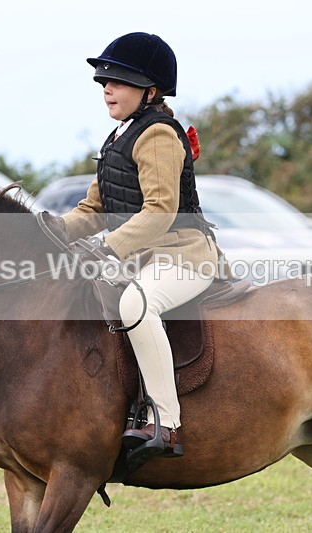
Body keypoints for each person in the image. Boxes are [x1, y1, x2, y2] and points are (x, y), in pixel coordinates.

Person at [59, 32, 228, 462]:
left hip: (184, 254)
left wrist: (106, 250)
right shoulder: (119, 136)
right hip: (142, 257)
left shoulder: (157, 135)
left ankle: (165, 422)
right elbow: (93, 210)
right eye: (103, 82)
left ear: (149, 91)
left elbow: (160, 211)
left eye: (117, 81)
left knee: (135, 306)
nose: (106, 89)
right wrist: (45, 232)